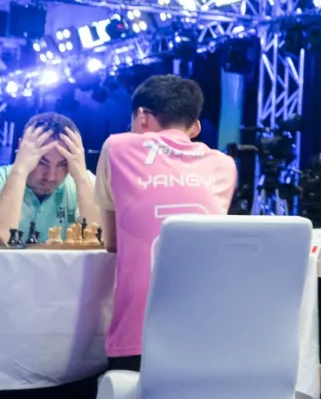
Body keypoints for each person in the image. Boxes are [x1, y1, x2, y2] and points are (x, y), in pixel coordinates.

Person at [94, 75, 236, 369]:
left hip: (137, 333)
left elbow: (112, 242)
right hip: (209, 331)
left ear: (142, 117)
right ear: (195, 127)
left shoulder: (118, 147)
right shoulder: (224, 165)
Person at [0, 113, 99, 243]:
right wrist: (20, 172)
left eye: (62, 164)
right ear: (21, 148)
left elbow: (100, 239)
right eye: (41, 162)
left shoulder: (86, 182)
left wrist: (81, 176)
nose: (50, 177)